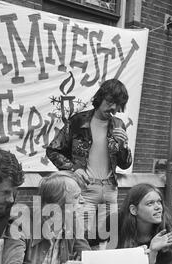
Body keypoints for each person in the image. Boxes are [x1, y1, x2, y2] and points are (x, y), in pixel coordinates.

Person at [46, 78, 132, 247]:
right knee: (82, 240)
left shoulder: (118, 124)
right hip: (85, 190)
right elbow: (53, 150)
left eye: (117, 104)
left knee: (107, 241)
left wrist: (123, 147)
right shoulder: (78, 121)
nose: (113, 108)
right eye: (110, 102)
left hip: (110, 190)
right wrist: (73, 169)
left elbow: (125, 164)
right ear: (100, 98)